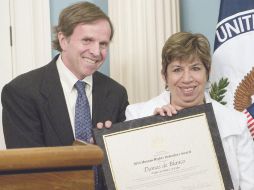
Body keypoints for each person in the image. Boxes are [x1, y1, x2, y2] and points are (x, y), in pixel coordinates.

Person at [1, 2, 128, 189]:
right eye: (87, 40)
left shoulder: (116, 93)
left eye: (103, 44)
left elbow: (126, 162)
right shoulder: (21, 92)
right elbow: (29, 173)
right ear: (63, 40)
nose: (96, 51)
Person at [126, 32, 254, 189]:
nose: (187, 79)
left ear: (207, 72)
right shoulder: (136, 115)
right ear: (165, 76)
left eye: (195, 68)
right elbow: (130, 180)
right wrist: (152, 128)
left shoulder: (236, 122)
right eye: (177, 69)